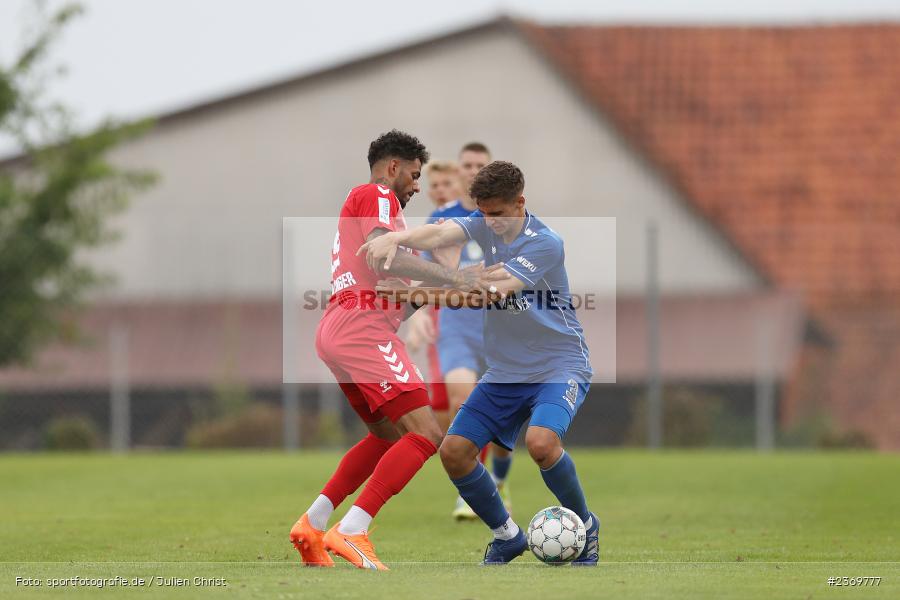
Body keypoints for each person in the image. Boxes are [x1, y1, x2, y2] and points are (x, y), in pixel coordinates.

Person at [359, 160, 600, 565]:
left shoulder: (545, 243)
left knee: (541, 443)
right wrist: (395, 238)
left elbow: (486, 291)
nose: (490, 223)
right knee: (453, 451)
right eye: (483, 214)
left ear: (521, 203)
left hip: (559, 365)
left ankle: (587, 525)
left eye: (498, 215)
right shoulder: (484, 221)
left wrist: (415, 293)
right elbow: (439, 232)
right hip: (506, 371)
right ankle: (507, 536)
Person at [289, 130, 506, 570]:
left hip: (340, 329)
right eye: (413, 174)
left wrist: (465, 286)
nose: (416, 185)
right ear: (392, 168)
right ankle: (352, 530)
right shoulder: (376, 195)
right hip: (362, 329)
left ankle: (312, 524)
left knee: (386, 436)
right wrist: (458, 278)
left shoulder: (386, 220)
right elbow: (382, 259)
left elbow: (403, 295)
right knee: (426, 434)